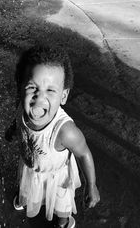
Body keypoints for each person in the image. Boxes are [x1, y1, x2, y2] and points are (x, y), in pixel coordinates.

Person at [11, 44, 100, 228]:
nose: (39, 98)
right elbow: (17, 122)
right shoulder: (21, 107)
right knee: (27, 187)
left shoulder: (65, 131)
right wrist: (12, 130)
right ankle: (24, 199)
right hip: (31, 168)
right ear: (20, 87)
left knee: (62, 207)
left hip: (57, 179)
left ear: (64, 96)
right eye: (31, 87)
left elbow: (83, 153)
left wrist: (91, 185)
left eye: (50, 90)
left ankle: (64, 222)